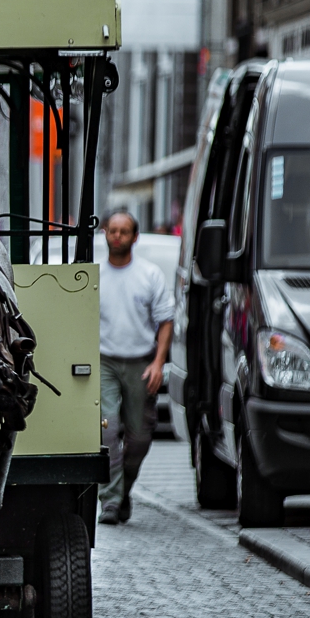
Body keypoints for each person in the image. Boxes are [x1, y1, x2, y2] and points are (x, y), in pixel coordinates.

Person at [97, 209, 175, 525]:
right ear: (104, 233)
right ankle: (111, 502)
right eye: (112, 230)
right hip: (104, 362)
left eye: (123, 231)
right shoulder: (95, 276)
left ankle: (123, 490)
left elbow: (165, 320)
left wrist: (158, 363)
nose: (117, 236)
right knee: (107, 430)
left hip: (141, 363)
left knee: (139, 438)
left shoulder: (150, 274)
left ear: (134, 237)